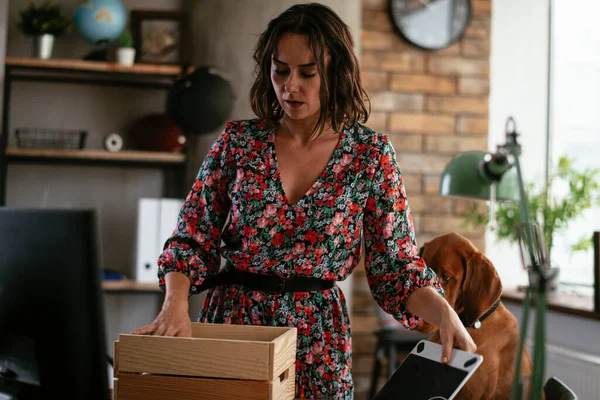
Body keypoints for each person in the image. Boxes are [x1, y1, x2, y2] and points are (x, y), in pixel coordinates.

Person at [132, 3, 476, 399]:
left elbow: (395, 268)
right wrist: (174, 303)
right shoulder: (238, 143)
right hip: (235, 325)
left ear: (336, 73)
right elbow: (191, 237)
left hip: (318, 339)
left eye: (307, 73)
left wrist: (446, 314)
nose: (289, 86)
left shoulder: (371, 154)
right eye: (280, 70)